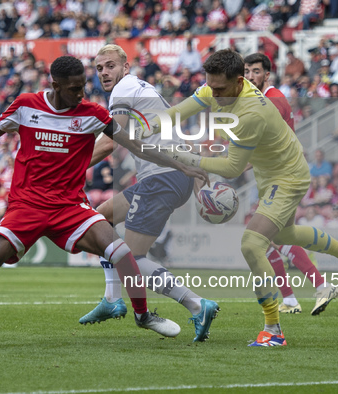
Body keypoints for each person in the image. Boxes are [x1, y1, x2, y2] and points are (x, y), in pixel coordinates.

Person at [0, 56, 209, 349]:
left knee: (122, 252)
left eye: (83, 87)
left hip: (70, 207)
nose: (81, 94)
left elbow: (136, 145)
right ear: (55, 85)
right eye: (74, 89)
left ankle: (143, 315)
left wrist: (184, 165)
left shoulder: (93, 114)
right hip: (27, 205)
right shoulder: (26, 105)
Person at [160, 49, 338, 346]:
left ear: (238, 81)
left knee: (252, 243)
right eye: (211, 87)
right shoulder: (219, 86)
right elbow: (181, 110)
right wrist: (149, 126)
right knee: (285, 234)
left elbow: (233, 167)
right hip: (270, 173)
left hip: (288, 177)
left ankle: (273, 330)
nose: (214, 94)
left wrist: (184, 157)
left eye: (220, 89)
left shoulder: (252, 112)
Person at [78, 44, 219, 342]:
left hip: (162, 178)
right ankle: (111, 299)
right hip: (170, 175)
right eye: (99, 67)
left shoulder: (123, 91)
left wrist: (68, 167)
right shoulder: (143, 89)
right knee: (98, 220)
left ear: (125, 68)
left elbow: (109, 142)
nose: (104, 72)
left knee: (133, 257)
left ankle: (196, 304)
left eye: (110, 65)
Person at [244, 53, 337, 315]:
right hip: (276, 175)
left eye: (256, 71)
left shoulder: (272, 100)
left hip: (282, 177)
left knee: (262, 237)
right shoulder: (262, 99)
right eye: (247, 71)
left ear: (267, 75)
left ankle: (320, 285)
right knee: (277, 237)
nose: (251, 76)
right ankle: (294, 298)